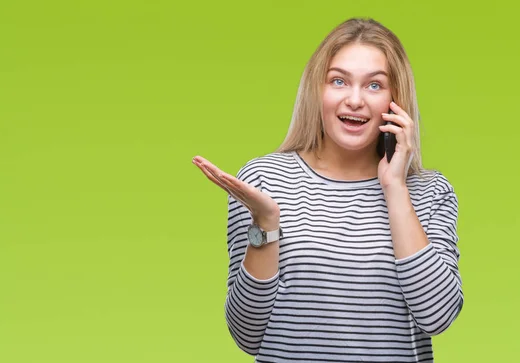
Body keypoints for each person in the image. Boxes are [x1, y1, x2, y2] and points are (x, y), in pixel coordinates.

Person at [192, 17, 463, 362]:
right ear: (317, 91)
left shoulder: (429, 192)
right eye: (338, 81)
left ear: (396, 101)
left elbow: (438, 315)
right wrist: (265, 225)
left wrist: (395, 188)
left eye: (374, 85)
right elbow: (246, 334)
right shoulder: (264, 180)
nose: (354, 100)